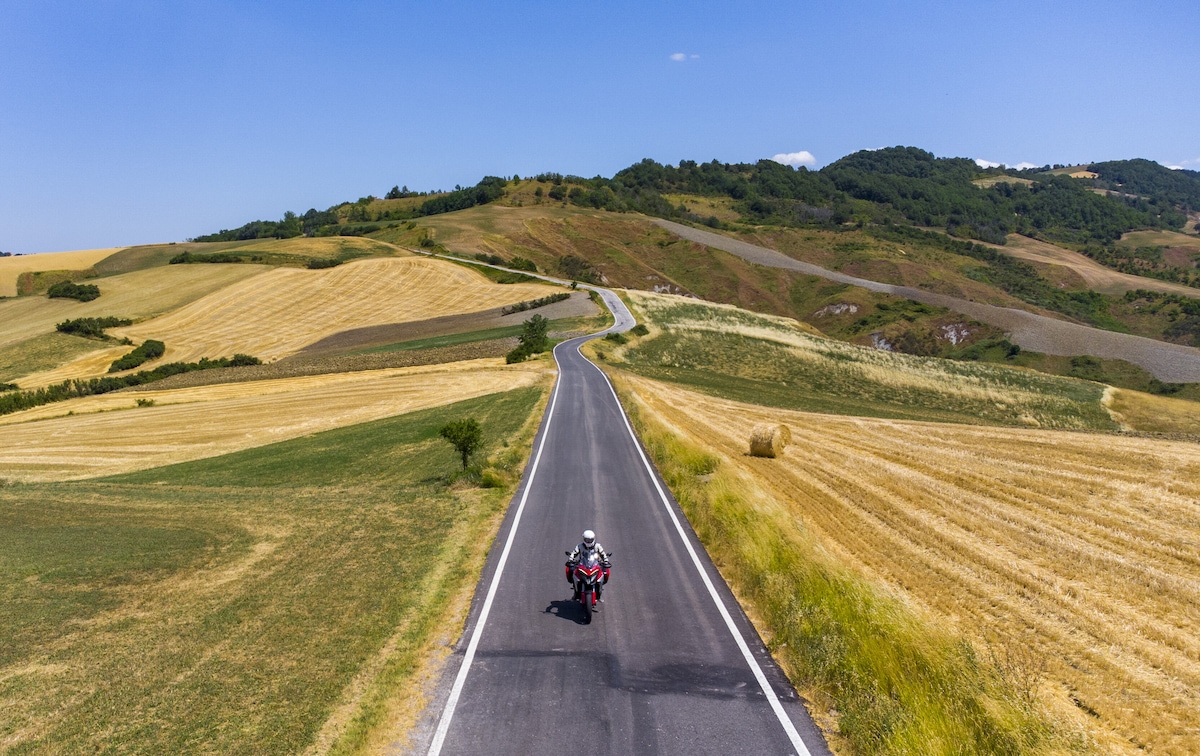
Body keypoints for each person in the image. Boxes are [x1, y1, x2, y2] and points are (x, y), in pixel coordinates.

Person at [565, 529, 611, 605]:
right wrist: (570, 559)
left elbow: (603, 554)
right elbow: (574, 553)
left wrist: (606, 560)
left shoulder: (597, 546)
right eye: (587, 540)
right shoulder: (579, 546)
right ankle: (576, 592)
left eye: (590, 540)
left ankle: (599, 593)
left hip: (595, 565)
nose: (589, 541)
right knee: (571, 571)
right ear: (584, 539)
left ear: (594, 539)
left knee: (605, 571)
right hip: (582, 565)